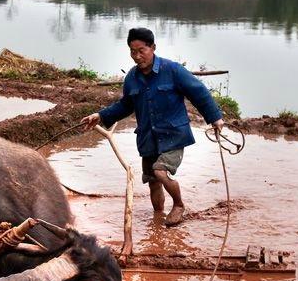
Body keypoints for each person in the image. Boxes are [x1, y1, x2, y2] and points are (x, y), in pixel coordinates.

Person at [80, 27, 224, 227]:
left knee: (160, 172)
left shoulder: (172, 70)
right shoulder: (132, 78)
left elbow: (198, 92)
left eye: (141, 50)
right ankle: (158, 218)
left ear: (153, 48)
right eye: (132, 51)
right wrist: (100, 115)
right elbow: (126, 105)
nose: (137, 56)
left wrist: (215, 118)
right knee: (152, 180)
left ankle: (179, 205)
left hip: (173, 135)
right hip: (148, 137)